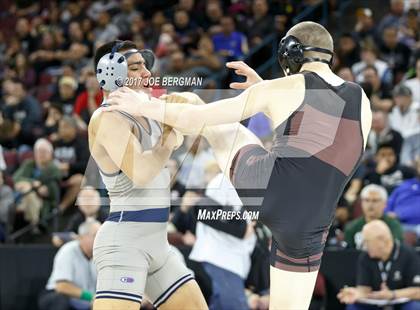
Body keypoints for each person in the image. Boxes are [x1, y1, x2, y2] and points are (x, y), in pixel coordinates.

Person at [105, 21, 373, 309]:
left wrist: (143, 105)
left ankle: (153, 109)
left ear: (289, 54)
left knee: (208, 116)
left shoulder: (283, 88)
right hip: (312, 224)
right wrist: (266, 91)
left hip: (269, 189)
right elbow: (313, 136)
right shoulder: (362, 100)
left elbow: (199, 119)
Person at [88, 40, 207, 310]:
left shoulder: (149, 108)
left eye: (145, 65)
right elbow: (141, 172)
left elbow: (196, 106)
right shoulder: (107, 118)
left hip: (158, 245)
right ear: (111, 73)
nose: (146, 73)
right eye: (135, 67)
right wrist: (168, 140)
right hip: (124, 244)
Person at [337, 220, 420, 310]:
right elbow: (364, 289)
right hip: (375, 303)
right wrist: (355, 293)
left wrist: (392, 294)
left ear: (382, 240)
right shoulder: (365, 256)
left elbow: (417, 291)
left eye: (367, 241)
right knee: (353, 307)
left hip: (401, 302)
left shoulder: (408, 254)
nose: (364, 246)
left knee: (414, 307)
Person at [38, 219, 100, 310]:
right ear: (82, 237)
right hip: (58, 296)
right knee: (60, 300)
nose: (100, 239)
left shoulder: (101, 254)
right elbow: (62, 286)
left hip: (85, 301)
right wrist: (91, 297)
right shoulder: (68, 251)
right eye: (95, 235)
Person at [344, 184, 403, 249]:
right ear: (361, 203)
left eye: (375, 201)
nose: (370, 204)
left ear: (385, 204)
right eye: (367, 200)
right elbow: (348, 252)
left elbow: (396, 247)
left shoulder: (393, 225)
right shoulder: (352, 227)